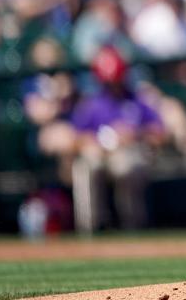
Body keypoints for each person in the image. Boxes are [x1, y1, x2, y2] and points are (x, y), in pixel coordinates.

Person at [70, 46, 167, 232]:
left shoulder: (136, 100)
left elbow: (160, 133)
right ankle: (90, 227)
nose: (113, 85)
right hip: (100, 154)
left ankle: (132, 226)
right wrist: (93, 142)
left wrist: (136, 134)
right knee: (87, 165)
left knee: (126, 167)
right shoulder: (91, 104)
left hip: (128, 155)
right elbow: (75, 138)